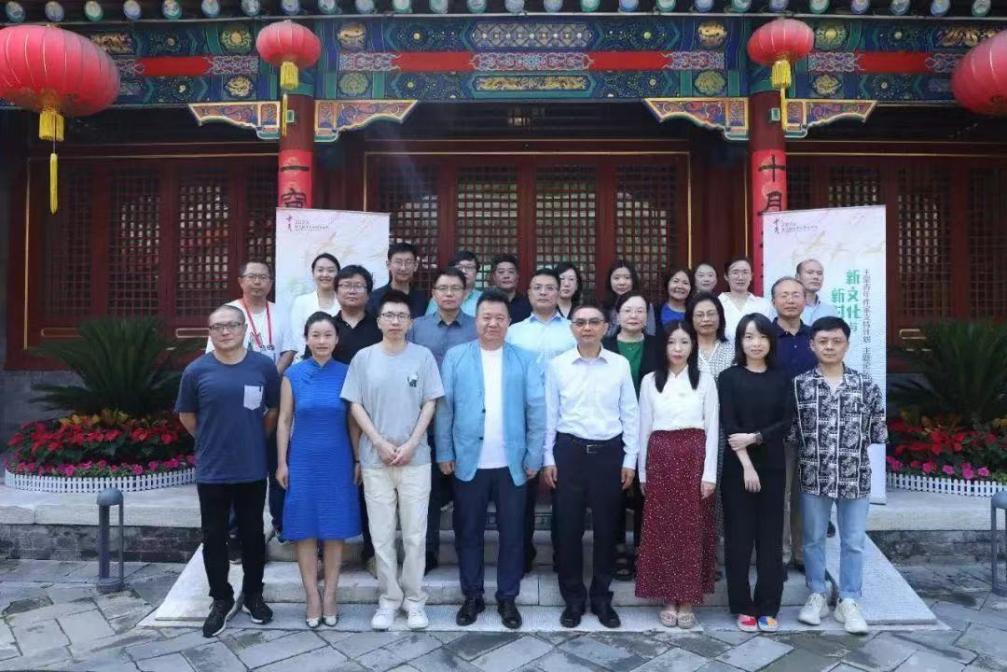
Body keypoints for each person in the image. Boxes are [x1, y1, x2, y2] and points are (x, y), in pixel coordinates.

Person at [436, 290, 545, 630]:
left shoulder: (524, 359)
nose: (493, 323)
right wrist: (444, 451)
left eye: (499, 318)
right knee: (468, 531)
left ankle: (507, 597)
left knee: (513, 534)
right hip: (468, 461)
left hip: (513, 464)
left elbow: (536, 410)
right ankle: (472, 595)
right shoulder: (456, 357)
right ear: (476, 320)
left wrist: (534, 454)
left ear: (509, 322)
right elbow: (444, 408)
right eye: (486, 317)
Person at [341, 290, 444, 631]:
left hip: (416, 459)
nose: (395, 321)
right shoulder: (364, 358)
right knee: (382, 535)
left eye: (402, 316)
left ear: (410, 322)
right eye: (389, 315)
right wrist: (378, 442)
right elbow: (355, 404)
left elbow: (430, 402)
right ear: (379, 321)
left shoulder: (422, 356)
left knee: (415, 534)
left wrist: (412, 443)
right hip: (376, 459)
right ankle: (388, 599)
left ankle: (414, 600)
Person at [177, 304, 280, 638]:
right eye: (218, 327)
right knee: (214, 536)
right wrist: (210, 439)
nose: (225, 331)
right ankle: (220, 598)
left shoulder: (263, 367)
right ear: (210, 332)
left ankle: (253, 595)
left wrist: (253, 439)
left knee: (252, 534)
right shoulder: (196, 370)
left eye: (232, 325)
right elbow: (187, 416)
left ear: (244, 330)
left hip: (252, 467)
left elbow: (273, 410)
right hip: (213, 469)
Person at [543, 302, 639, 629]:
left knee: (607, 529)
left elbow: (630, 414)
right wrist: (548, 458)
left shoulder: (619, 365)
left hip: (608, 454)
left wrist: (629, 459)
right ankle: (573, 599)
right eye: (580, 322)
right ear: (572, 328)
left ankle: (601, 597)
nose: (587, 328)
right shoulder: (558, 366)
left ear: (605, 327)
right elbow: (550, 414)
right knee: (568, 529)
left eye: (594, 322)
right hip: (569, 452)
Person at [795, 317, 886, 635]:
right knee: (812, 540)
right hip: (813, 474)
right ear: (812, 345)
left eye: (836, 341)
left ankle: (849, 600)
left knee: (853, 542)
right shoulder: (800, 386)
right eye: (823, 341)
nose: (830, 347)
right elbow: (793, 433)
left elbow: (877, 431)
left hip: (854, 475)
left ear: (847, 344)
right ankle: (817, 594)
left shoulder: (866, 385)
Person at [275, 312, 360, 628]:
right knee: (304, 528)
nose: (322, 341)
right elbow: (284, 421)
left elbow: (353, 422)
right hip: (303, 460)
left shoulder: (348, 373)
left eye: (328, 335)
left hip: (338, 459)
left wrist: (358, 459)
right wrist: (282, 462)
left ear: (337, 339)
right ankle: (312, 595)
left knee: (335, 529)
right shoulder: (293, 375)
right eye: (316, 335)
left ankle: (331, 595)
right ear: (306, 339)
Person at [206, 261, 296, 552]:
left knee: (278, 462)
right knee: (238, 470)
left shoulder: (281, 312)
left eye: (263, 277)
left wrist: (269, 376)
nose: (258, 282)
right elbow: (215, 354)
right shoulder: (228, 313)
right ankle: (235, 532)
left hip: (273, 397)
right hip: (235, 405)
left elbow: (290, 350)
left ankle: (282, 524)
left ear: (271, 282)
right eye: (252, 277)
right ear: (240, 281)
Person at [636, 320, 719, 629]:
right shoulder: (650, 381)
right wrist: (643, 472)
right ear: (663, 346)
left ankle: (687, 599)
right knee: (663, 529)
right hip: (660, 458)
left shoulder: (705, 380)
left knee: (691, 530)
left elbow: (713, 428)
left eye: (684, 342)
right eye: (672, 342)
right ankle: (668, 597)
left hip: (694, 457)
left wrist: (709, 473)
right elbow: (644, 427)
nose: (678, 349)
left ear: (692, 346)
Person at [717, 314, 793, 633]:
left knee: (770, 539)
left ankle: (768, 605)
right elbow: (730, 425)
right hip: (738, 469)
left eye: (762, 336)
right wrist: (747, 464)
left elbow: (786, 422)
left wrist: (756, 437)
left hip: (773, 466)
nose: (755, 343)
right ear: (740, 342)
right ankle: (742, 605)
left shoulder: (782, 377)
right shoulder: (728, 378)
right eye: (748, 337)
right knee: (739, 538)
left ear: (770, 341)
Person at [506, 268, 576, 575]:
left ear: (560, 291)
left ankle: (564, 557)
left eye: (550, 287)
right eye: (538, 287)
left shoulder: (574, 330)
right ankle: (523, 555)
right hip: (524, 420)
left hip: (566, 420)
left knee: (566, 494)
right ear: (529, 293)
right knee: (523, 493)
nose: (544, 292)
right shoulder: (514, 332)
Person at [408, 267, 478, 574]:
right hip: (425, 420)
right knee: (427, 491)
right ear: (433, 293)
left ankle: (467, 551)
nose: (449, 294)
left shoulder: (477, 327)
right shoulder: (416, 327)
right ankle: (428, 551)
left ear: (465, 293)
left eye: (455, 289)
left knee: (467, 491)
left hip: (467, 421)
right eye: (443, 289)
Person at [602, 292, 660, 581]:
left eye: (640, 311)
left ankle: (642, 549)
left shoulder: (658, 345)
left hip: (650, 425)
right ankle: (616, 549)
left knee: (645, 490)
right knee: (613, 490)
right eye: (628, 310)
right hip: (611, 426)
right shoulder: (605, 345)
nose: (634, 316)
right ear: (617, 315)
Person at [332, 264, 383, 575]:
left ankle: (372, 551)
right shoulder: (327, 326)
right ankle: (327, 550)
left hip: (371, 416)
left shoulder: (378, 326)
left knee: (370, 486)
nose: (352, 290)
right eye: (346, 285)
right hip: (332, 415)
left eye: (359, 285)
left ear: (368, 292)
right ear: (336, 291)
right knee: (335, 483)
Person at [771, 276, 819, 572]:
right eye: (784, 295)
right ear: (773, 301)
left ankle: (802, 553)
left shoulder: (816, 337)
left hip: (812, 428)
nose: (790, 300)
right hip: (776, 427)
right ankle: (781, 553)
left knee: (806, 494)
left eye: (795, 295)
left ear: (805, 300)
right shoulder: (764, 336)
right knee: (781, 494)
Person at [289, 253, 341, 362]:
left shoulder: (344, 302)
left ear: (338, 274)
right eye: (320, 270)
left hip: (338, 360)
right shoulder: (301, 302)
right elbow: (298, 336)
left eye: (331, 270)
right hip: (306, 361)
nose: (325, 274)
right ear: (313, 273)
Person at [367, 242, 428, 318]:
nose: (403, 268)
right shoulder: (374, 298)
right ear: (388, 265)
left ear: (415, 266)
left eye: (408, 262)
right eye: (398, 262)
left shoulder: (421, 299)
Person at [718, 257, 772, 341]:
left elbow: (768, 336)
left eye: (745, 272)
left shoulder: (764, 305)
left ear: (751, 276)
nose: (740, 277)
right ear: (726, 276)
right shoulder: (716, 303)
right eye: (735, 272)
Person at [602, 259, 656, 337]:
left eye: (627, 278)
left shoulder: (645, 304)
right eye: (616, 278)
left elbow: (650, 333)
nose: (622, 282)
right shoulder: (605, 305)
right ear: (609, 281)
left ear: (633, 280)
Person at [426, 250, 483, 316]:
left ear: (476, 272)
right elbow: (429, 321)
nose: (464, 271)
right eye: (459, 267)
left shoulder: (484, 298)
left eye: (469, 267)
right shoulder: (439, 297)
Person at [490, 253, 532, 323]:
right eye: (501, 272)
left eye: (511, 272)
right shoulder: (487, 303)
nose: (506, 276)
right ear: (494, 277)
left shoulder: (528, 304)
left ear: (517, 276)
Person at [796, 258, 838, 325]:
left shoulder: (830, 311)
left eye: (819, 273)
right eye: (810, 272)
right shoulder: (788, 307)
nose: (816, 277)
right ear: (798, 277)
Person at [656, 267, 692, 333]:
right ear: (667, 284)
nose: (680, 286)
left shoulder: (694, 313)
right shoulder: (655, 311)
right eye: (675, 281)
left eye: (685, 283)